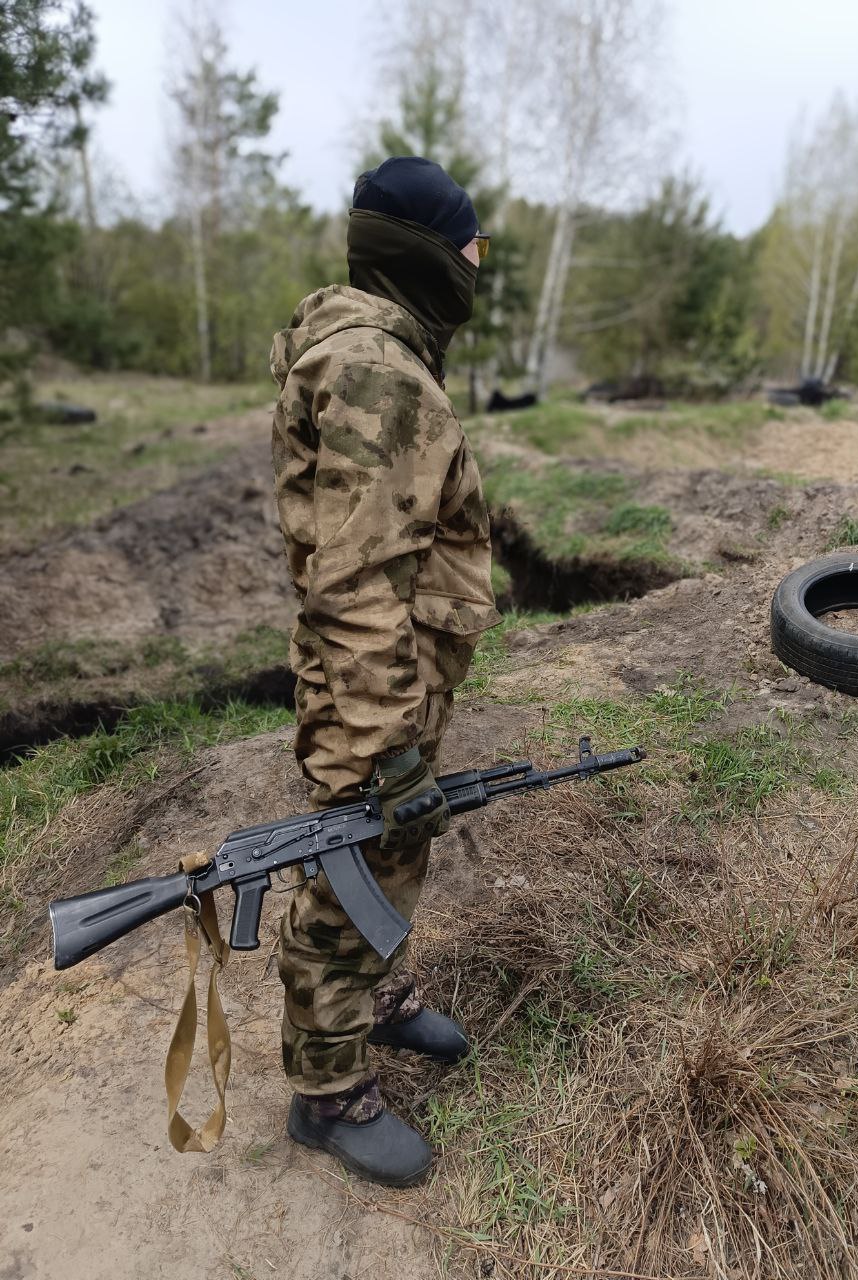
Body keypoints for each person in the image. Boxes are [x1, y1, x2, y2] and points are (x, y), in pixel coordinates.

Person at [269, 156, 499, 1187]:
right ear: (428, 250)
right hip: (376, 692)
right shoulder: (377, 369)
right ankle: (328, 1094)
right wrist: (390, 743)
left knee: (389, 861)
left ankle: (383, 995)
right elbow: (357, 581)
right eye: (471, 245)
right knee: (348, 873)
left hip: (390, 679)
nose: (478, 263)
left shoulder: (371, 348)